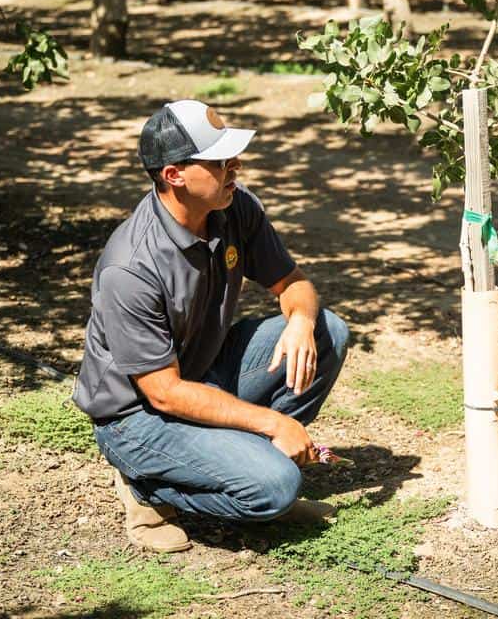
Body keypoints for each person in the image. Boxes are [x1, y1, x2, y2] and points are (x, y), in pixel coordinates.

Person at [72, 99, 350, 552]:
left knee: (327, 331)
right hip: (137, 416)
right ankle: (146, 486)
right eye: (220, 160)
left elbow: (293, 282)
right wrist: (274, 424)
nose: (234, 166)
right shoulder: (130, 266)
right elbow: (164, 392)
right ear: (174, 175)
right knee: (275, 489)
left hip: (202, 373)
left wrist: (300, 318)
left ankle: (258, 467)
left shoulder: (234, 207)